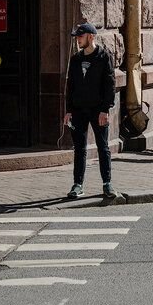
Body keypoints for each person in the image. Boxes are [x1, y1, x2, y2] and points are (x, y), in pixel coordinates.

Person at [62, 24, 117, 199]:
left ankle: (107, 184)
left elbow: (110, 84)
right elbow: (70, 86)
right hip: (78, 110)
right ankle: (77, 185)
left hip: (98, 110)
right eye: (77, 37)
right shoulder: (76, 59)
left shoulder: (103, 57)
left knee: (103, 147)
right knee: (79, 148)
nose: (78, 39)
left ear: (91, 37)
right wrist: (68, 110)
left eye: (81, 36)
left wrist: (105, 110)